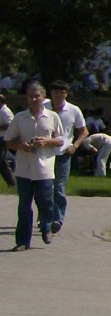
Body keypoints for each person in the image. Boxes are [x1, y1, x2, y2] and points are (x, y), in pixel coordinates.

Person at [5, 80, 65, 249]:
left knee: (45, 202)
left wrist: (47, 141)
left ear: (43, 97)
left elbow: (61, 140)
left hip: (44, 169)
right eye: (31, 96)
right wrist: (21, 146)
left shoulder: (52, 117)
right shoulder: (20, 118)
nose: (34, 99)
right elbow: (8, 141)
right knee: (24, 206)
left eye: (37, 96)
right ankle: (22, 241)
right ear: (27, 98)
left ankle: (46, 227)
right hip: (24, 168)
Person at [46, 80, 87, 233]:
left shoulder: (73, 110)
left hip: (63, 154)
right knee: (45, 187)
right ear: (51, 93)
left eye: (61, 92)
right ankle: (45, 216)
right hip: (45, 154)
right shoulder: (43, 107)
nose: (58, 95)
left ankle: (57, 219)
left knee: (59, 187)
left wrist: (75, 145)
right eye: (55, 92)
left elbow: (83, 131)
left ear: (66, 94)